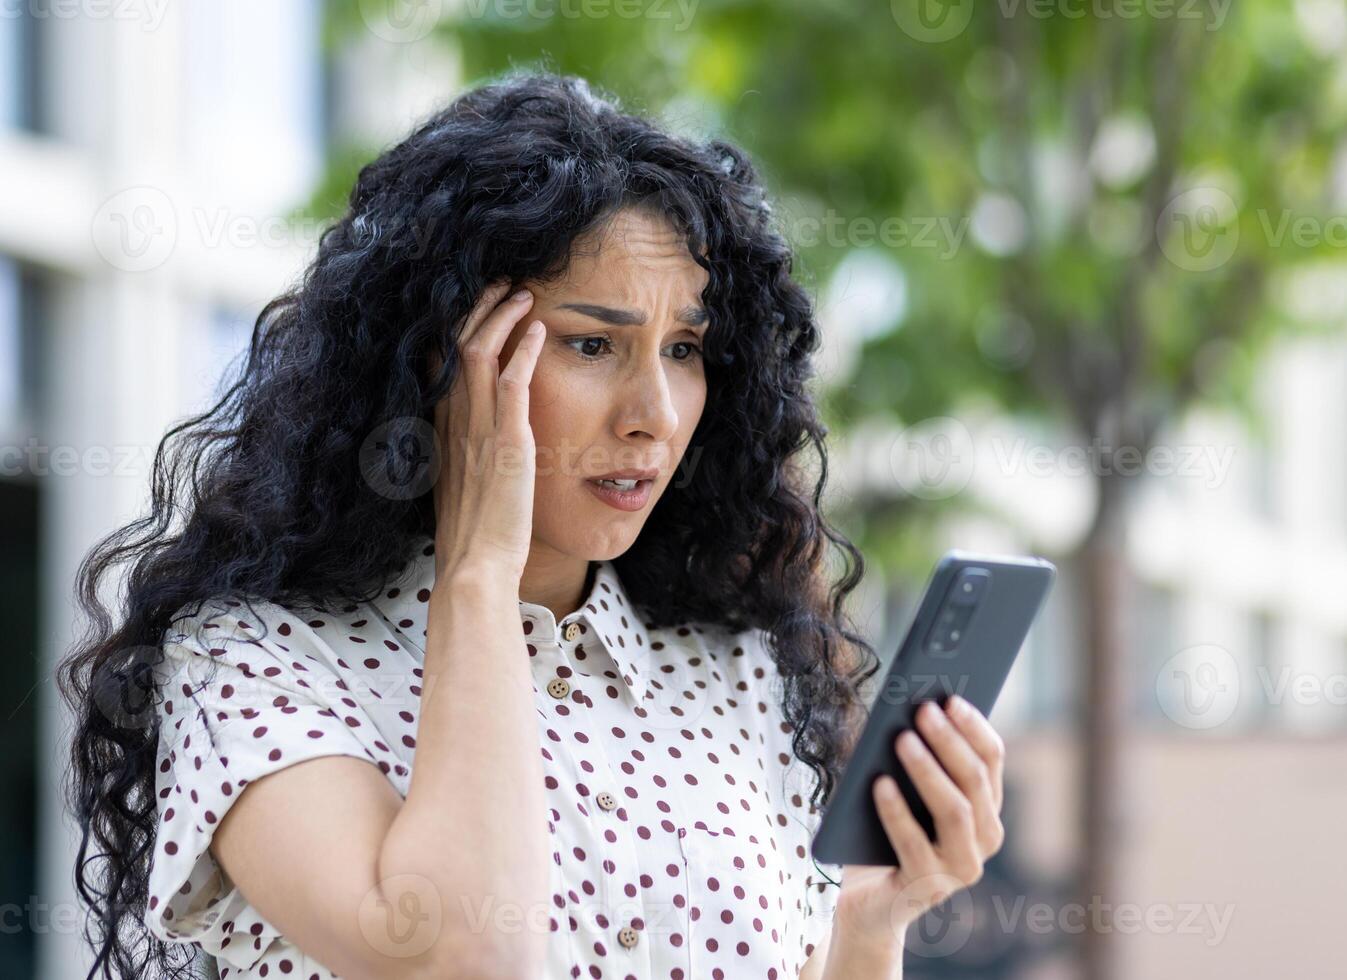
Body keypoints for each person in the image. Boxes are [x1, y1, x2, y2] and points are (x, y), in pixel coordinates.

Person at [58, 71, 1005, 980]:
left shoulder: (741, 672)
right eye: (593, 344)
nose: (656, 415)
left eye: (684, 350)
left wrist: (873, 923)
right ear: (442, 359)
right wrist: (478, 575)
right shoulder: (259, 664)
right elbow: (455, 956)